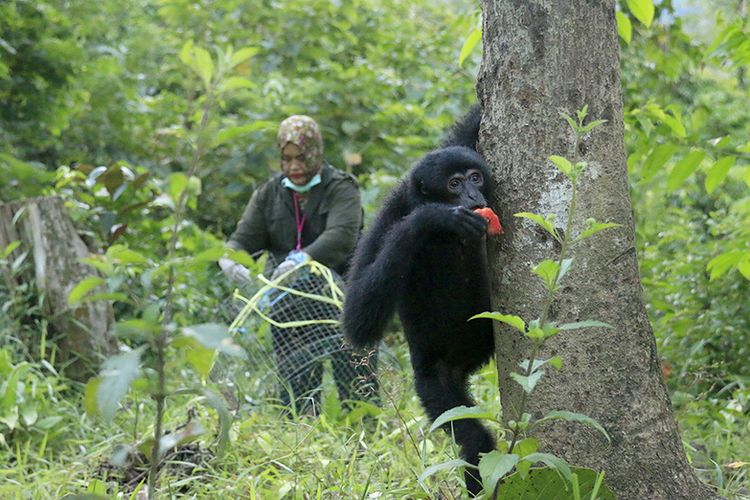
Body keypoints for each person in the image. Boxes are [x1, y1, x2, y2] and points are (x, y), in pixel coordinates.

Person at [219, 115, 378, 415]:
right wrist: (229, 258)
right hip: (290, 305)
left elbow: (342, 236)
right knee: (296, 391)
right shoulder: (270, 194)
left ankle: (363, 439)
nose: (294, 167)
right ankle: (302, 429)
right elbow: (243, 238)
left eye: (302, 158)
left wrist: (304, 259)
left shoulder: (342, 188)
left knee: (356, 382)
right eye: (286, 158)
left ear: (316, 152)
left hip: (340, 299)